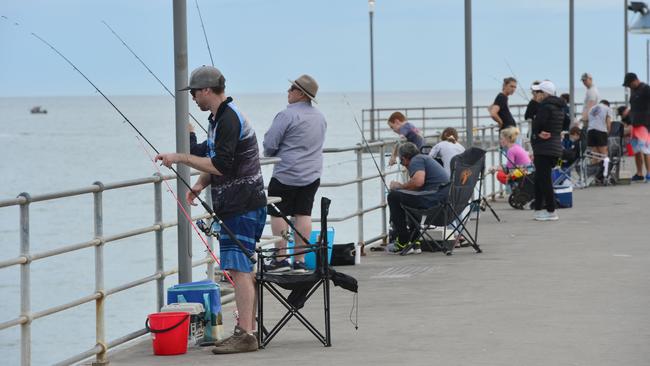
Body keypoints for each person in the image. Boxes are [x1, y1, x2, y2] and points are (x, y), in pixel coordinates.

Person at [154, 65, 266, 354]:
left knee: (239, 270)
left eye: (193, 92)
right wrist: (200, 185)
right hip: (237, 204)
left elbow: (221, 165)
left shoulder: (228, 119)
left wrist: (180, 157)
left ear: (206, 90)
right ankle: (244, 330)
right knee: (238, 268)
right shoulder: (219, 118)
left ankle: (246, 335)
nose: (192, 98)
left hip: (243, 205)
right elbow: (217, 158)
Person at [263, 74, 327, 272]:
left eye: (291, 89)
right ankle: (299, 260)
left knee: (277, 212)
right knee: (304, 213)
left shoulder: (286, 115)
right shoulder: (320, 117)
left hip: (286, 173)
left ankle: (281, 258)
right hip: (312, 174)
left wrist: (270, 152)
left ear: (300, 93)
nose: (288, 92)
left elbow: (270, 144)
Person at [386, 142, 450, 253]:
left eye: (401, 161)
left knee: (393, 196)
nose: (403, 165)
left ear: (405, 158)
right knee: (409, 198)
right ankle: (414, 241)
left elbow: (418, 182)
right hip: (442, 200)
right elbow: (417, 186)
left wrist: (399, 186)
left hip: (433, 199)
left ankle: (403, 240)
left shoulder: (416, 160)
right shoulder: (424, 158)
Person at [530, 80, 564, 221]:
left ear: (544, 93)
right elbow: (565, 123)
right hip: (554, 147)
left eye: (537, 92)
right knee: (539, 179)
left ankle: (551, 210)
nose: (535, 95)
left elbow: (537, 124)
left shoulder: (545, 107)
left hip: (544, 148)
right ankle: (538, 209)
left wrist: (537, 133)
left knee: (544, 180)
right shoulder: (558, 107)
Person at [622, 72, 650, 182]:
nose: (628, 87)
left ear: (635, 80)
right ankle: (639, 173)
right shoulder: (633, 91)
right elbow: (634, 104)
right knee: (636, 150)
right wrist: (628, 111)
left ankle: (649, 173)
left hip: (645, 124)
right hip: (635, 124)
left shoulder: (646, 88)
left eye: (629, 84)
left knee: (645, 149)